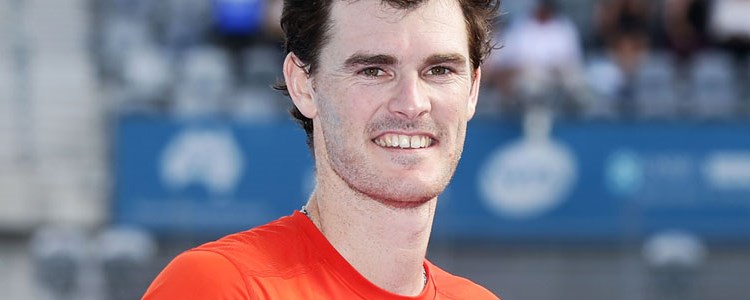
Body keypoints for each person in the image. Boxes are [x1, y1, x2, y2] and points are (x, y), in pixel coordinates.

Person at [142, 0, 501, 299]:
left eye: (439, 70)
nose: (412, 103)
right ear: (304, 85)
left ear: (472, 89)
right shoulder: (219, 287)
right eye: (373, 71)